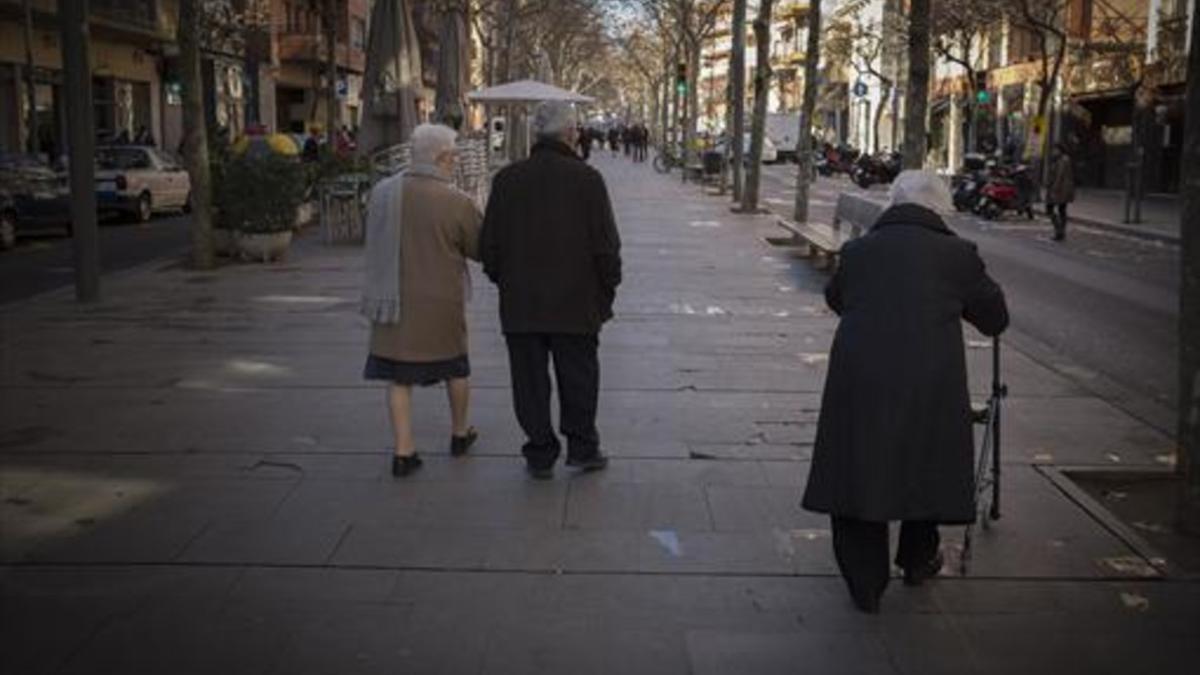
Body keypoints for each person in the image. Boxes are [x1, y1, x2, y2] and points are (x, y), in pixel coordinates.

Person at [801, 170, 1009, 614]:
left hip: (862, 375)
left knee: (860, 467)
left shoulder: (859, 251)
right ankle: (917, 560)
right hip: (929, 378)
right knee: (925, 461)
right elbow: (995, 318)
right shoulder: (958, 254)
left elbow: (837, 298)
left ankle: (865, 583)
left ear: (893, 204)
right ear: (940, 208)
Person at [480, 100, 622, 480]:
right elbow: (606, 246)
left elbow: (488, 247)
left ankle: (540, 451)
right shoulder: (587, 180)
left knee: (528, 382)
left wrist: (507, 281)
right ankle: (582, 447)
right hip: (576, 303)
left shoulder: (507, 180)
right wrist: (606, 291)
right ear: (571, 133)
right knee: (579, 378)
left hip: (521, 304)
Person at [361, 123, 483, 477]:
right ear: (443, 158)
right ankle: (460, 433)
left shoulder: (383, 192)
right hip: (441, 301)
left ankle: (403, 451)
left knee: (398, 378)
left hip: (393, 300)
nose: (456, 161)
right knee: (456, 368)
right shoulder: (457, 202)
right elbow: (479, 247)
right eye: (454, 155)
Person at [1046, 143, 1075, 242]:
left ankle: (1059, 231)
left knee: (1051, 209)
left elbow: (1059, 176)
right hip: (1061, 189)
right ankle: (1060, 231)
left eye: (1055, 150)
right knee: (1061, 210)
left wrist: (1054, 190)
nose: (1053, 152)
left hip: (1061, 190)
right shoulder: (1059, 160)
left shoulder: (1063, 160)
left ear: (1060, 150)